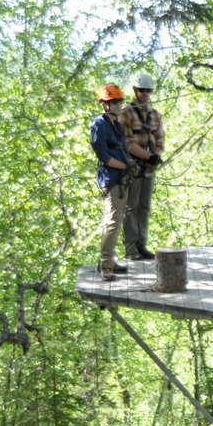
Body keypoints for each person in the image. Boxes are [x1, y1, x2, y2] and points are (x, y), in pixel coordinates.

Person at [121, 71, 164, 260]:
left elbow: (161, 137)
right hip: (132, 166)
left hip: (148, 168)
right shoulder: (126, 113)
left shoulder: (155, 115)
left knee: (144, 206)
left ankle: (141, 245)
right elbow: (128, 142)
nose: (145, 94)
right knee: (131, 207)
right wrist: (148, 156)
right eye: (141, 90)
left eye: (148, 90)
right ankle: (130, 249)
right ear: (135, 90)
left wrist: (156, 154)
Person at [90, 84, 131, 280]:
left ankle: (108, 260)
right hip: (110, 178)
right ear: (105, 105)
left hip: (121, 177)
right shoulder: (99, 125)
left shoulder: (117, 126)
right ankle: (106, 265)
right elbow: (104, 156)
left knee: (116, 220)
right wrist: (124, 167)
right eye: (114, 102)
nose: (118, 105)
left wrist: (130, 164)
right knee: (113, 222)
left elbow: (121, 150)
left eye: (119, 102)